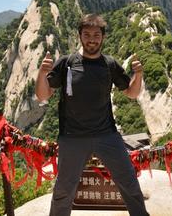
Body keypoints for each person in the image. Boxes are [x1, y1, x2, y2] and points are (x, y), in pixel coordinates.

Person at [36, 14, 149, 216]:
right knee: (63, 191)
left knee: (129, 182)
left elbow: (131, 93)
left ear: (103, 37)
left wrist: (138, 75)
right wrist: (42, 73)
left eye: (96, 35)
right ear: (80, 36)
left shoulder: (109, 65)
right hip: (72, 138)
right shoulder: (67, 63)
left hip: (107, 135)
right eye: (87, 34)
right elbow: (43, 95)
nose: (92, 39)